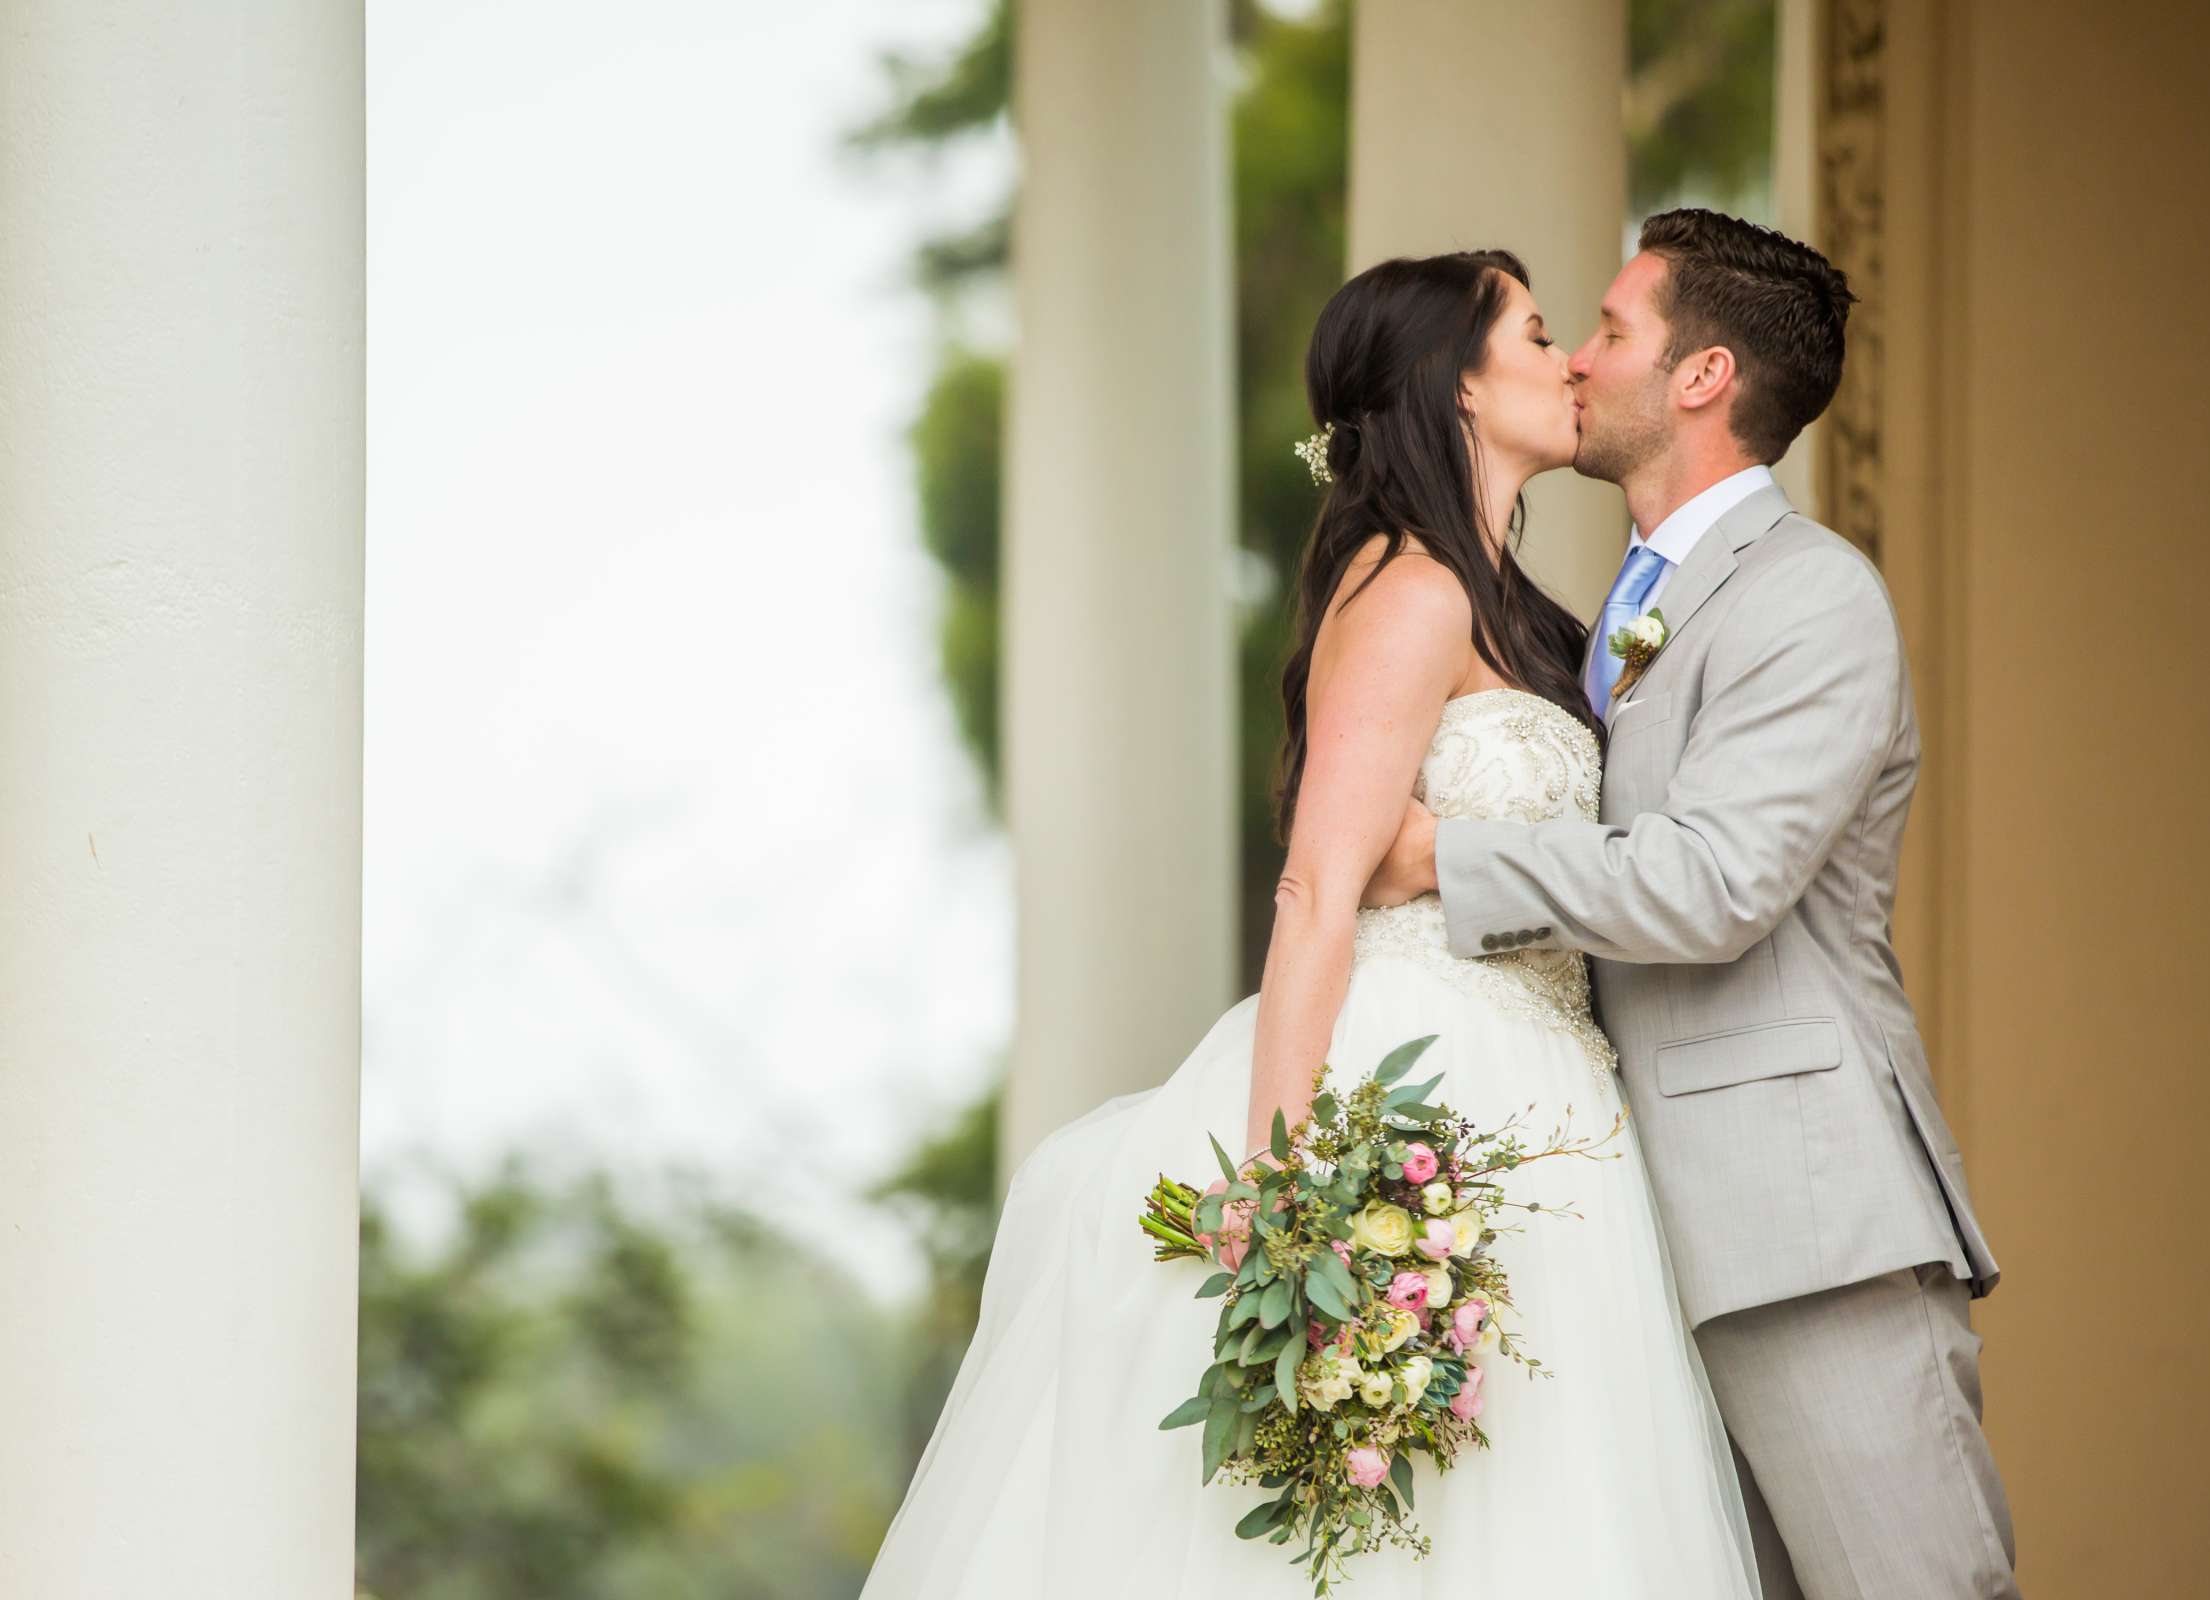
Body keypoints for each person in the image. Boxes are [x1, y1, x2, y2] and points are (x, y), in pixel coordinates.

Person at [862, 248, 1759, 1597]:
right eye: (1532, 331)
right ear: (1453, 385)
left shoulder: (1515, 611)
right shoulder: (1411, 591)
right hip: (1426, 1075)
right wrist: (1287, 1199)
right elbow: (1313, 889)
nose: (1568, 356)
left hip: (1552, 1097)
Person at [1362, 209, 2017, 1599]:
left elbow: (1716, 883)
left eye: (1611, 331)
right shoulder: (1622, 607)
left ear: (1704, 377)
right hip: (1645, 1241)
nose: (1582, 364)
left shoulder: (1809, 598)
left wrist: (1439, 860)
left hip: (1803, 1228)